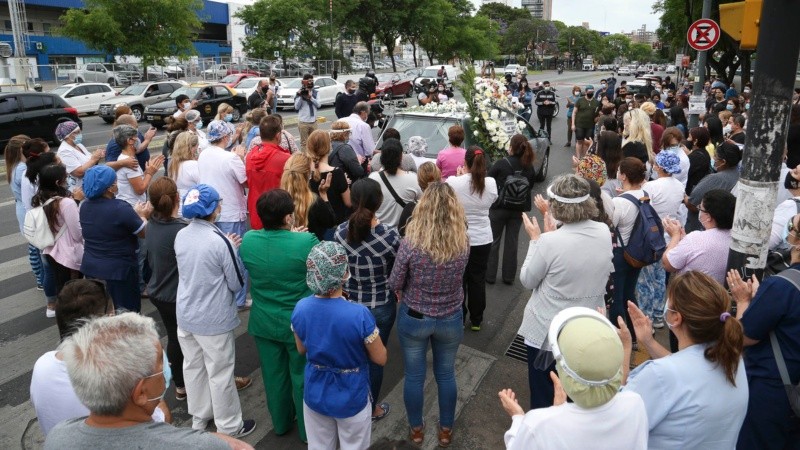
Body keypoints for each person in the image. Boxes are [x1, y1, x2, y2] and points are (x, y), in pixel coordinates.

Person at [43, 313, 252, 450]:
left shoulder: (58, 437)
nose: (167, 365)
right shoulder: (202, 446)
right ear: (141, 393)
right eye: (161, 361)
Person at [621, 271, 748, 449]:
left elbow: (615, 423)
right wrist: (648, 341)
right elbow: (686, 371)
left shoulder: (659, 375)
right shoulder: (732, 359)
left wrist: (625, 351)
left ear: (676, 317)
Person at [517, 174, 614, 409]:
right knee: (576, 392)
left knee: (544, 393)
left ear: (556, 206)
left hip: (548, 331)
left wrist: (535, 240)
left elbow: (528, 280)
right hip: (587, 325)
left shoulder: (550, 242)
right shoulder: (602, 230)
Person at [388, 182, 470, 447]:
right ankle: (445, 429)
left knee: (414, 375)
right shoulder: (462, 243)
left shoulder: (411, 243)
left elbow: (395, 281)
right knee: (446, 374)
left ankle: (416, 429)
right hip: (450, 315)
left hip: (415, 314)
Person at [499, 308, 648, 450]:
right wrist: (625, 346)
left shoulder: (538, 423)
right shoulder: (635, 403)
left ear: (564, 372)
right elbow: (619, 390)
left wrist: (518, 417)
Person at [174, 184, 255, 438]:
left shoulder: (181, 235)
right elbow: (237, 282)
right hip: (213, 318)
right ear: (212, 210)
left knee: (194, 367)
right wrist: (232, 249)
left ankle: (199, 417)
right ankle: (230, 426)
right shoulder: (221, 241)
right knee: (220, 373)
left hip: (185, 314)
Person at [240, 189, 319, 443]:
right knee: (302, 377)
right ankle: (308, 431)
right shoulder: (305, 242)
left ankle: (282, 422)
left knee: (273, 377)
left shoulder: (249, 239)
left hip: (264, 320)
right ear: (288, 218)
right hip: (298, 323)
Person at [292, 241, 388, 449]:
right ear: (344, 272)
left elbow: (301, 349)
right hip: (351, 394)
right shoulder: (359, 314)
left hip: (315, 391)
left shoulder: (301, 308)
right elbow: (380, 358)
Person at [728, 213, 800, 449]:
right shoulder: (779, 287)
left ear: (797, 241)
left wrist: (744, 301)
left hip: (775, 389)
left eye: (793, 226)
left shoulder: (782, 286)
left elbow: (743, 336)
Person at [334, 179, 399, 421]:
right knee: (375, 358)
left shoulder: (340, 232)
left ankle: (348, 400)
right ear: (379, 201)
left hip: (347, 304)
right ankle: (371, 407)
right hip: (380, 304)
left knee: (350, 355)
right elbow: (397, 270)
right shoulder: (390, 235)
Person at [79, 166, 150, 312]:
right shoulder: (120, 208)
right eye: (115, 182)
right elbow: (144, 233)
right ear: (109, 188)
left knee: (102, 311)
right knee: (127, 312)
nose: (117, 184)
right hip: (119, 271)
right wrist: (142, 215)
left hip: (92, 267)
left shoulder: (84, 206)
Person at [144, 177, 188, 402]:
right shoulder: (181, 230)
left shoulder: (152, 222)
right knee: (189, 340)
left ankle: (180, 385)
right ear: (177, 199)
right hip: (177, 295)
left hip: (159, 292)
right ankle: (197, 382)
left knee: (173, 337)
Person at [198, 120, 250, 309]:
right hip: (231, 211)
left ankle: (224, 296)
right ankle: (239, 299)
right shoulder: (230, 158)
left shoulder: (203, 155)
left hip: (211, 213)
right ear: (226, 137)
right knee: (236, 257)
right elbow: (245, 181)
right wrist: (241, 158)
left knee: (217, 257)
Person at [447, 147, 498, 330]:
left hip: (459, 238)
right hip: (483, 238)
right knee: (477, 278)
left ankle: (459, 316)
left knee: (458, 278)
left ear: (465, 163)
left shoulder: (454, 182)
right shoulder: (491, 183)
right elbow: (491, 201)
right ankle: (477, 319)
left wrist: (460, 176)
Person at [634, 151, 685, 328]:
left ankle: (645, 316)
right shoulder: (679, 186)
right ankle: (657, 315)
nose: (654, 166)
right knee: (660, 277)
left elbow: (644, 210)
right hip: (669, 237)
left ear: (660, 167)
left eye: (656, 164)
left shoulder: (652, 187)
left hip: (651, 237)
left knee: (645, 280)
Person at [487, 135, 536, 285]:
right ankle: (508, 277)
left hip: (499, 207)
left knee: (494, 242)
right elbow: (531, 186)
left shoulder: (502, 163)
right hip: (518, 210)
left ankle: (489, 276)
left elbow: (489, 179)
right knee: (512, 242)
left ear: (512, 147)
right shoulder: (529, 166)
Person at [610, 157, 648, 347]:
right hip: (639, 253)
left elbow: (610, 226)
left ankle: (621, 338)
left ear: (623, 176)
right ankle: (635, 334)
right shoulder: (646, 194)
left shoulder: (619, 202)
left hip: (621, 255)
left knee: (616, 297)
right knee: (629, 294)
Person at [662, 189, 735, 285]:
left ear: (708, 216)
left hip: (689, 296)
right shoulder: (736, 238)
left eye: (700, 208)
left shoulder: (695, 239)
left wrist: (675, 236)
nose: (699, 211)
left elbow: (667, 264)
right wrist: (684, 240)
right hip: (718, 296)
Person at [32, 164, 83, 293]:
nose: (67, 180)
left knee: (61, 287)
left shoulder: (39, 198)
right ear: (58, 182)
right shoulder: (66, 203)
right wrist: (76, 201)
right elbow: (77, 234)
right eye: (65, 178)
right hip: (67, 252)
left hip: (50, 250)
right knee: (72, 290)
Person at [22, 144, 60, 316]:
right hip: (48, 230)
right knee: (50, 268)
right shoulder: (45, 184)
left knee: (48, 267)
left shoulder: (31, 176)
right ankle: (52, 303)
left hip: (41, 230)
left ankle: (51, 302)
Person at [5, 135, 44, 290]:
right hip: (28, 209)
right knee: (36, 248)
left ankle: (40, 277)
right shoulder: (22, 168)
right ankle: (41, 279)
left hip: (22, 208)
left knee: (33, 247)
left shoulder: (16, 165)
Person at [56, 121, 132, 193]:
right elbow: (78, 172)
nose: (80, 134)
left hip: (91, 184)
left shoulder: (78, 145)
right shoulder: (64, 151)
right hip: (79, 190)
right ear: (68, 136)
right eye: (77, 132)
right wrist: (94, 159)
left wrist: (98, 156)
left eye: (80, 131)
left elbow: (89, 161)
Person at [245, 115, 290, 230]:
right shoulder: (285, 159)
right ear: (278, 135)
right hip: (278, 214)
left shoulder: (250, 156)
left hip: (256, 212)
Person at [684, 141, 741, 233]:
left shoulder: (716, 179)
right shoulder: (738, 174)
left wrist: (683, 196)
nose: (713, 158)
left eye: (715, 156)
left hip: (704, 227)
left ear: (723, 162)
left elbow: (692, 203)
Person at [280, 153, 336, 242]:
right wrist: (324, 195)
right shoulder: (314, 201)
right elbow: (330, 222)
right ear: (307, 175)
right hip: (313, 249)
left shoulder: (277, 201)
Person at [369, 138, 421, 228]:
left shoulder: (373, 178)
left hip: (380, 232)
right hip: (404, 233)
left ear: (381, 156)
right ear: (401, 157)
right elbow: (421, 202)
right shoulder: (413, 179)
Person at [307, 129, 352, 232]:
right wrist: (346, 184)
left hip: (311, 225)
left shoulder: (304, 172)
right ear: (329, 146)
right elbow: (349, 202)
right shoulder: (336, 173)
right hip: (334, 225)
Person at [112, 125, 165, 206]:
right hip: (133, 207)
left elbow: (135, 179)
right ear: (130, 141)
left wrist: (147, 171)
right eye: (136, 137)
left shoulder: (125, 159)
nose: (139, 140)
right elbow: (140, 189)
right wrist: (150, 173)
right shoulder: (130, 163)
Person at [397, 162, 441, 236]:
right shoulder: (451, 207)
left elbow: (401, 232)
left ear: (419, 182)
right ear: (440, 178)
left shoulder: (411, 209)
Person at [168, 131, 200, 208]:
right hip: (191, 208)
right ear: (192, 148)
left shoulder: (172, 164)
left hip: (178, 207)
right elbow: (204, 186)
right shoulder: (193, 165)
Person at [572, 85, 600, 159]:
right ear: (586, 92)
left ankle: (584, 158)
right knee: (579, 141)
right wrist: (573, 124)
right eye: (589, 91)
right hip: (579, 124)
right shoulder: (580, 100)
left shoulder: (596, 102)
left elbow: (597, 115)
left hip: (590, 125)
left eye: (592, 91)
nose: (591, 93)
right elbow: (574, 113)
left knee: (586, 142)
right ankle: (578, 157)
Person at [295, 74, 320, 152]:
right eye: (309, 81)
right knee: (304, 143)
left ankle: (313, 158)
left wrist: (311, 98)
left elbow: (318, 105)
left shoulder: (315, 92)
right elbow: (296, 107)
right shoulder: (299, 93)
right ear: (304, 82)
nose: (310, 82)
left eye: (312, 81)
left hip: (314, 121)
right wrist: (300, 97)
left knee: (315, 142)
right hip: (303, 122)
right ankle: (305, 160)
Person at [685, 127, 712, 195]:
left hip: (690, 191)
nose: (688, 139)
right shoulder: (705, 153)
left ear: (695, 141)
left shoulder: (695, 157)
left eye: (689, 137)